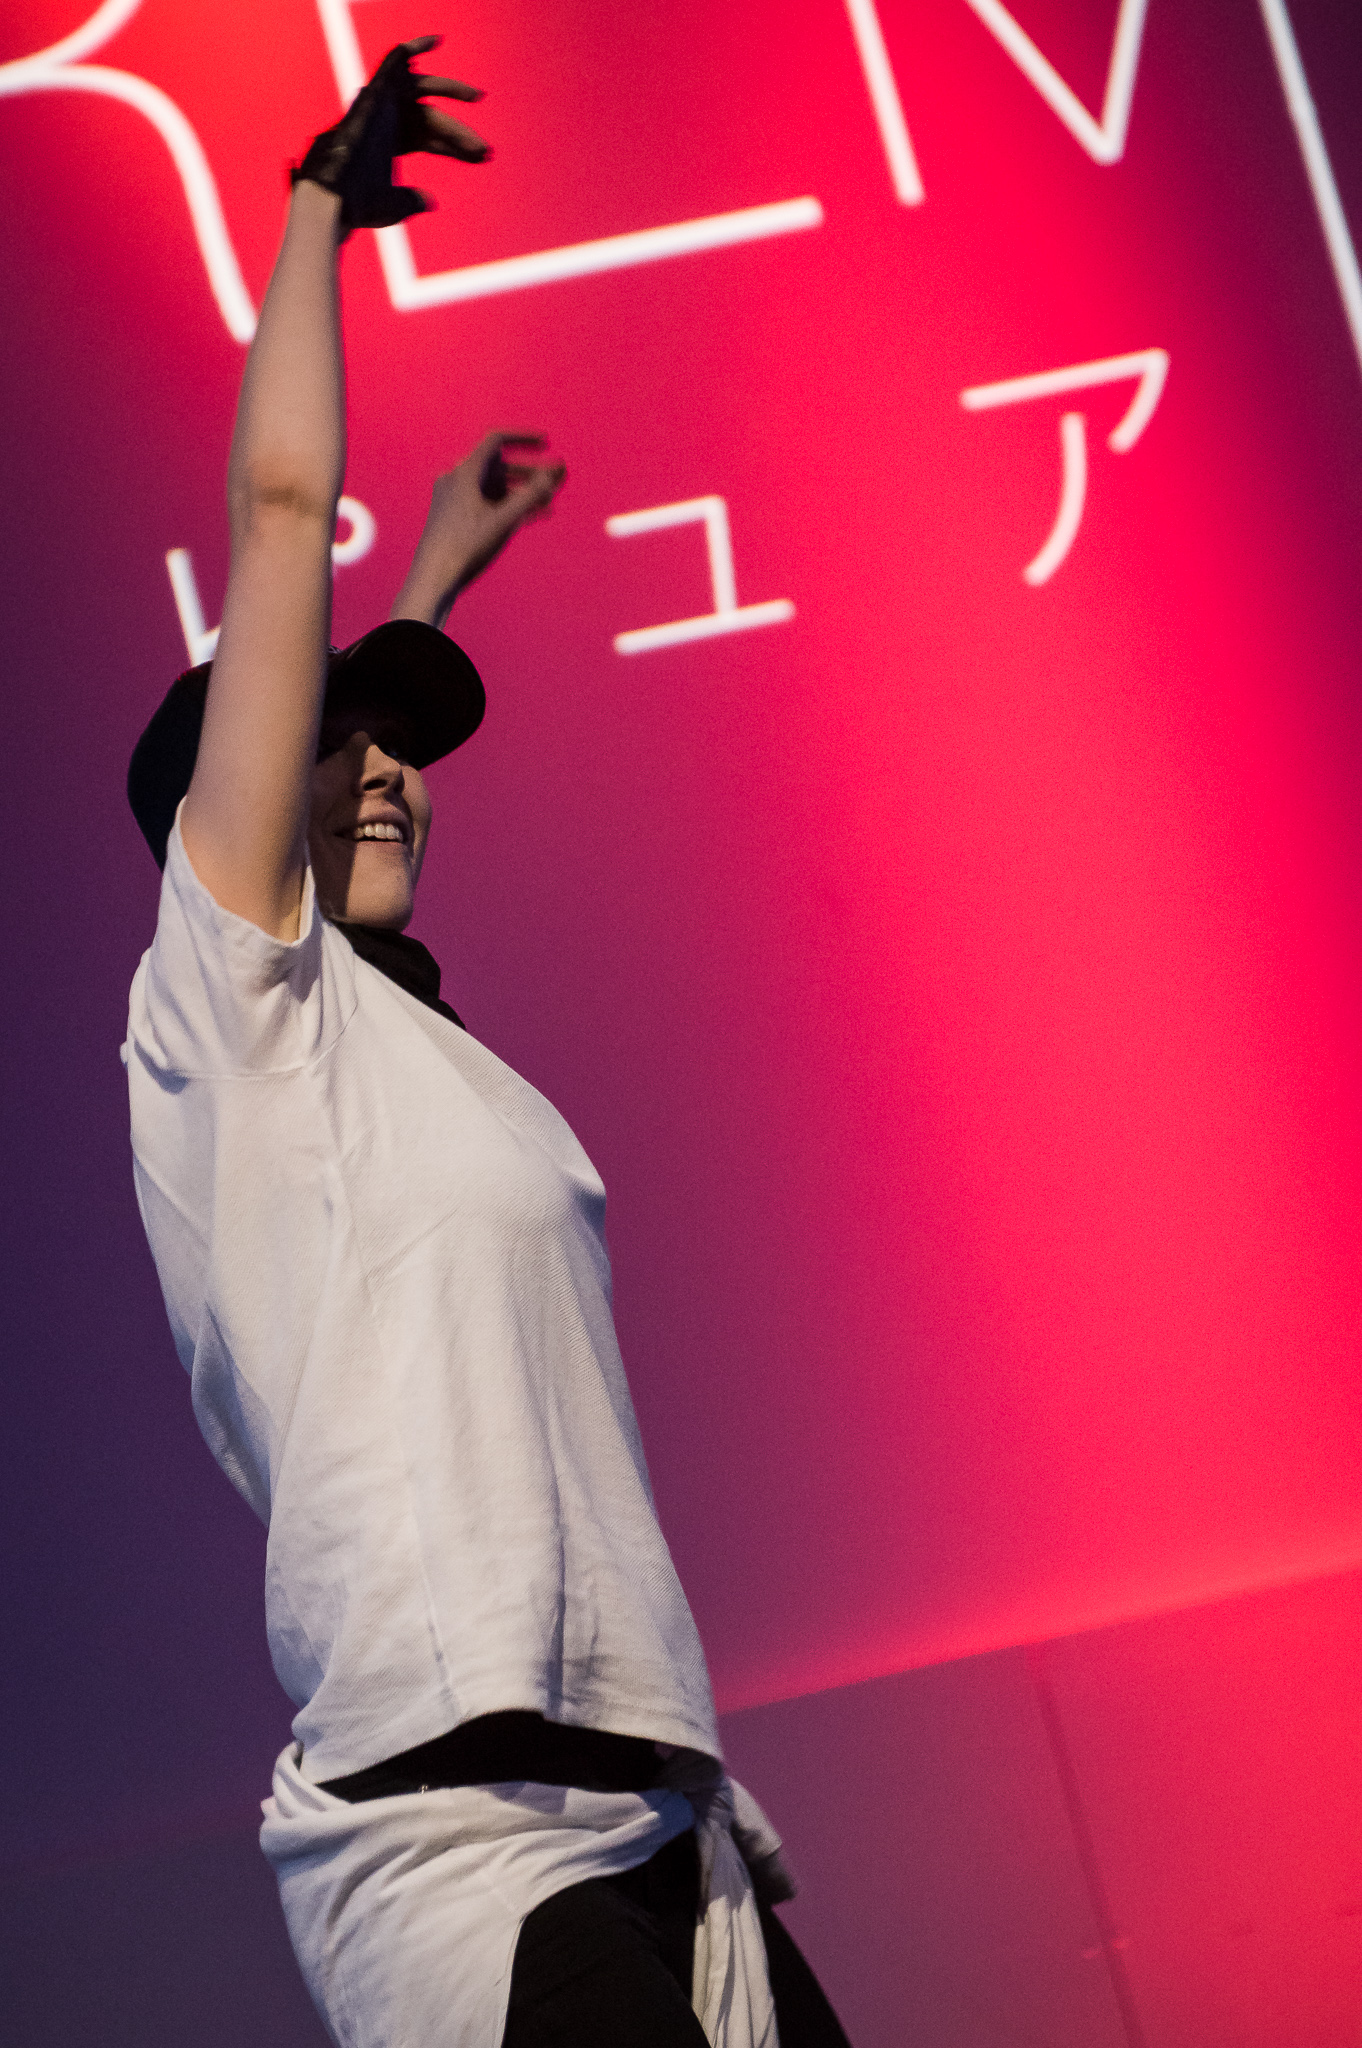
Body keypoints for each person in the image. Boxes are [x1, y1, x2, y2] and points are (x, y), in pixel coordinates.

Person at [124, 37, 850, 2048]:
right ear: (219, 822)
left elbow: (365, 756)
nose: (384, 773)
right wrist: (315, 212)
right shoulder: (231, 1020)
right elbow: (283, 514)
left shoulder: (421, 1055)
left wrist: (445, 563)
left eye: (404, 749)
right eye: (328, 742)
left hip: (667, 1808)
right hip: (456, 1841)